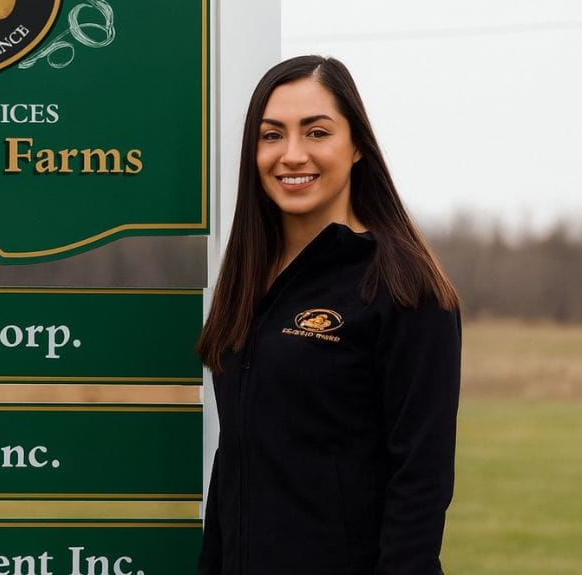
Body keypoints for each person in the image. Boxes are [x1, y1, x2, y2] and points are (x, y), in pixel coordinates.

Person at [196, 55, 461, 574]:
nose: (292, 155)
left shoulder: (404, 287)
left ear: (357, 145)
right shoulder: (250, 280)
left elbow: (421, 481)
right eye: (272, 136)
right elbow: (235, 460)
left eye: (316, 132)